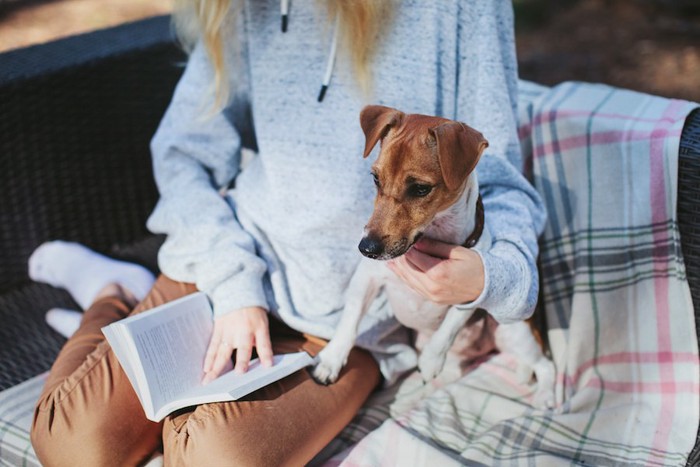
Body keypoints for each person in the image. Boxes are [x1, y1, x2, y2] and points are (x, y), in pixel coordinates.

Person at [29, 0, 546, 465]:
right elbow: (182, 153)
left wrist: (494, 277)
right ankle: (113, 291)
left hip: (348, 324)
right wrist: (233, 285)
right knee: (71, 445)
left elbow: (503, 184)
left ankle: (128, 298)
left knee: (210, 457)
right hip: (230, 270)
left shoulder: (464, 9)